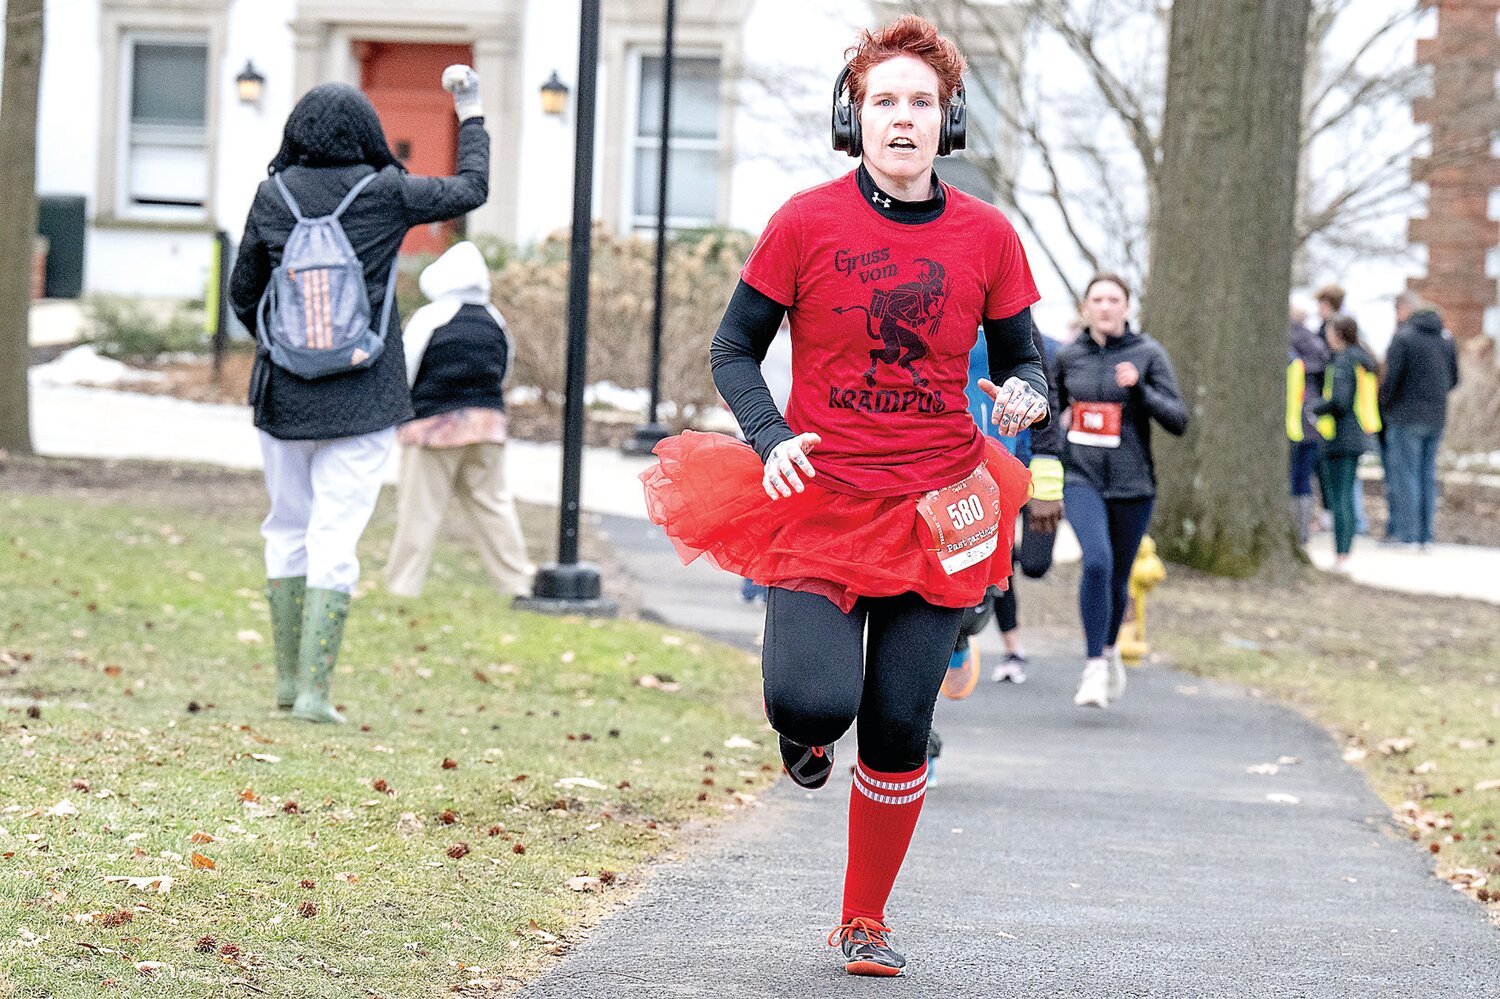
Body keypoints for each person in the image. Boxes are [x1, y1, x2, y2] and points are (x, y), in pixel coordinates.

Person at [640, 15, 1049, 977]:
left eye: (920, 103)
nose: (901, 119)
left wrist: (1025, 395)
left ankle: (862, 919)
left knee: (902, 726)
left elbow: (1028, 359)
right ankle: (803, 726)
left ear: (947, 122)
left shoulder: (988, 235)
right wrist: (770, 436)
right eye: (883, 103)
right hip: (822, 496)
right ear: (852, 118)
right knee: (814, 704)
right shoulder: (806, 222)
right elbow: (732, 347)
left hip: (939, 502)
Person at [229, 71, 489, 723]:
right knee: (335, 535)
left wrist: (288, 348)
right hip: (365, 396)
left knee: (285, 527)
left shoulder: (273, 194)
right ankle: (316, 692)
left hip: (282, 398)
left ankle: (287, 683)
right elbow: (472, 189)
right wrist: (470, 110)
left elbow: (243, 293)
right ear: (367, 132)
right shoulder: (388, 192)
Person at [1053, 274, 1187, 709]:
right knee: (1096, 561)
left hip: (1133, 484)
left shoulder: (1147, 354)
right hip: (1081, 477)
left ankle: (1109, 652)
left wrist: (1139, 390)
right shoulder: (1069, 357)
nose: (1106, 307)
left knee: (1117, 575)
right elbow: (1048, 415)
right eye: (1098, 299)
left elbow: (1178, 420)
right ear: (1085, 307)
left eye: (1114, 299)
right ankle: (1093, 665)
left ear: (1127, 307)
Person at [384, 241, 533, 599]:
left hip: (432, 429)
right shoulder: (495, 320)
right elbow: (504, 371)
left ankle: (403, 585)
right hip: (486, 426)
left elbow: (404, 370)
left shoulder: (430, 317)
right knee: (494, 507)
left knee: (420, 512)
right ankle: (517, 582)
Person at [942, 328, 1064, 694]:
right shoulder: (931, 309)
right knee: (948, 565)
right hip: (942, 458)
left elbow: (1048, 398)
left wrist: (1045, 469)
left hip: (1006, 460)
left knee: (995, 566)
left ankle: (963, 633)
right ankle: (951, 639)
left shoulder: (1016, 322)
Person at [1379, 292, 1460, 549]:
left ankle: (1408, 534)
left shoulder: (1404, 338)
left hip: (1405, 417)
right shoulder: (1445, 340)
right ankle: (1425, 535)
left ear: (1406, 310)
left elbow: (1391, 380)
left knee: (1406, 475)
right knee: (1426, 475)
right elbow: (1454, 379)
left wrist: (1386, 404)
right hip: (1436, 417)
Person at [1312, 314, 1377, 571]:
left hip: (1340, 437)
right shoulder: (1361, 360)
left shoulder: (1342, 362)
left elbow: (1340, 401)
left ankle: (1341, 552)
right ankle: (1344, 551)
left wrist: (1317, 409)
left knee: (1339, 497)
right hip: (1356, 434)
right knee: (1346, 495)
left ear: (1337, 334)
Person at [1287, 300, 1330, 543]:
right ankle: (1302, 531)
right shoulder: (1318, 345)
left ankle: (1294, 530)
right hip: (1312, 423)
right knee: (1305, 480)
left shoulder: (1287, 346)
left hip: (1291, 424)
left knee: (1293, 480)